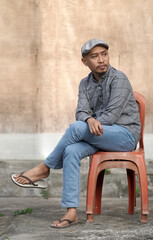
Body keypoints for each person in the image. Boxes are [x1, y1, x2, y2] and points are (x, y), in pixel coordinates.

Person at [11, 39, 141, 228]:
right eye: (94, 56)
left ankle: (45, 168)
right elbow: (81, 112)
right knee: (71, 150)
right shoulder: (84, 84)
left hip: (125, 136)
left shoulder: (119, 78)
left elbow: (112, 115)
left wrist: (88, 122)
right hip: (98, 134)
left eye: (104, 54)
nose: (101, 60)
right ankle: (71, 211)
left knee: (77, 128)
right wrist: (89, 120)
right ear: (85, 61)